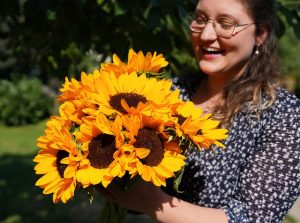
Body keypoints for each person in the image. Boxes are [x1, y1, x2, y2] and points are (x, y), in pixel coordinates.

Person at [97, 0, 300, 222]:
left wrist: (152, 203)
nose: (205, 35)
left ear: (260, 32)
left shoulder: (283, 114)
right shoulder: (171, 92)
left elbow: (255, 218)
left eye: (225, 23)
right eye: (200, 19)